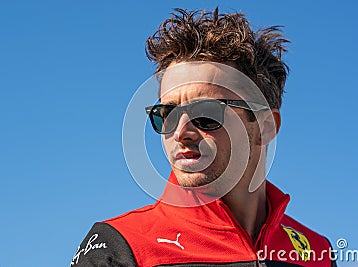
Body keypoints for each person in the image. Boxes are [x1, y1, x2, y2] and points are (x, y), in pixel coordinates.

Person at [70, 8, 336, 267]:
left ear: (265, 126)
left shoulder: (317, 251)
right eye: (168, 114)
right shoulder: (118, 244)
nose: (180, 132)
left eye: (207, 113)